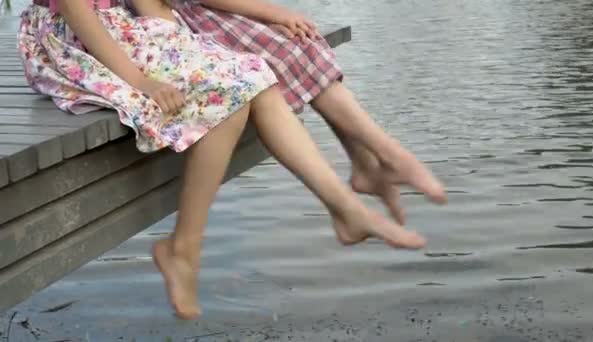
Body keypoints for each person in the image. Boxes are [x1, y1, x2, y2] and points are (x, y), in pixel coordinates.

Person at [18, 0, 445, 320]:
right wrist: (142, 81)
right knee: (235, 92)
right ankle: (186, 248)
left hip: (124, 32)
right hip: (75, 42)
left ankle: (344, 207)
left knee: (254, 74)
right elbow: (80, 17)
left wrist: (172, 38)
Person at [172, 0, 448, 225]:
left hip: (199, 14)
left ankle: (370, 161)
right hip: (174, 24)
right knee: (283, 48)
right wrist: (275, 13)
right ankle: (388, 156)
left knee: (303, 42)